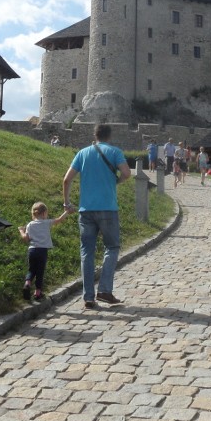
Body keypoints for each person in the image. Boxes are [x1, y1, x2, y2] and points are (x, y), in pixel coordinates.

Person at [63, 123, 131, 309]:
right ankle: (104, 289)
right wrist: (117, 181)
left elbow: (66, 179)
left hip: (85, 210)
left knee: (87, 252)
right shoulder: (115, 151)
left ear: (95, 136)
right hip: (108, 208)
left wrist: (67, 202)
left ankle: (88, 297)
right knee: (112, 247)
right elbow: (127, 173)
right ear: (109, 136)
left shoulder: (83, 153)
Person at [18, 202, 70, 301]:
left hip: (32, 250)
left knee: (31, 270)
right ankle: (38, 293)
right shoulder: (46, 222)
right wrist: (66, 211)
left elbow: (26, 238)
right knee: (40, 272)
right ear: (44, 213)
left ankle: (27, 283)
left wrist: (21, 230)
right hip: (42, 251)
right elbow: (59, 220)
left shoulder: (29, 225)